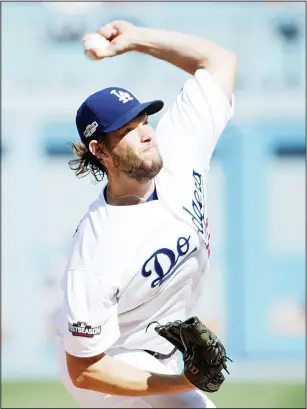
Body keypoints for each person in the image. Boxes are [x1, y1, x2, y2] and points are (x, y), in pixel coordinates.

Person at [55, 19, 237, 408]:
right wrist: (182, 382)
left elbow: (219, 60)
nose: (146, 133)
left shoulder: (179, 146)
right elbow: (84, 369)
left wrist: (136, 39)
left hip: (160, 348)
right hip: (109, 360)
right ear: (100, 151)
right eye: (127, 129)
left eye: (144, 120)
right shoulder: (96, 249)